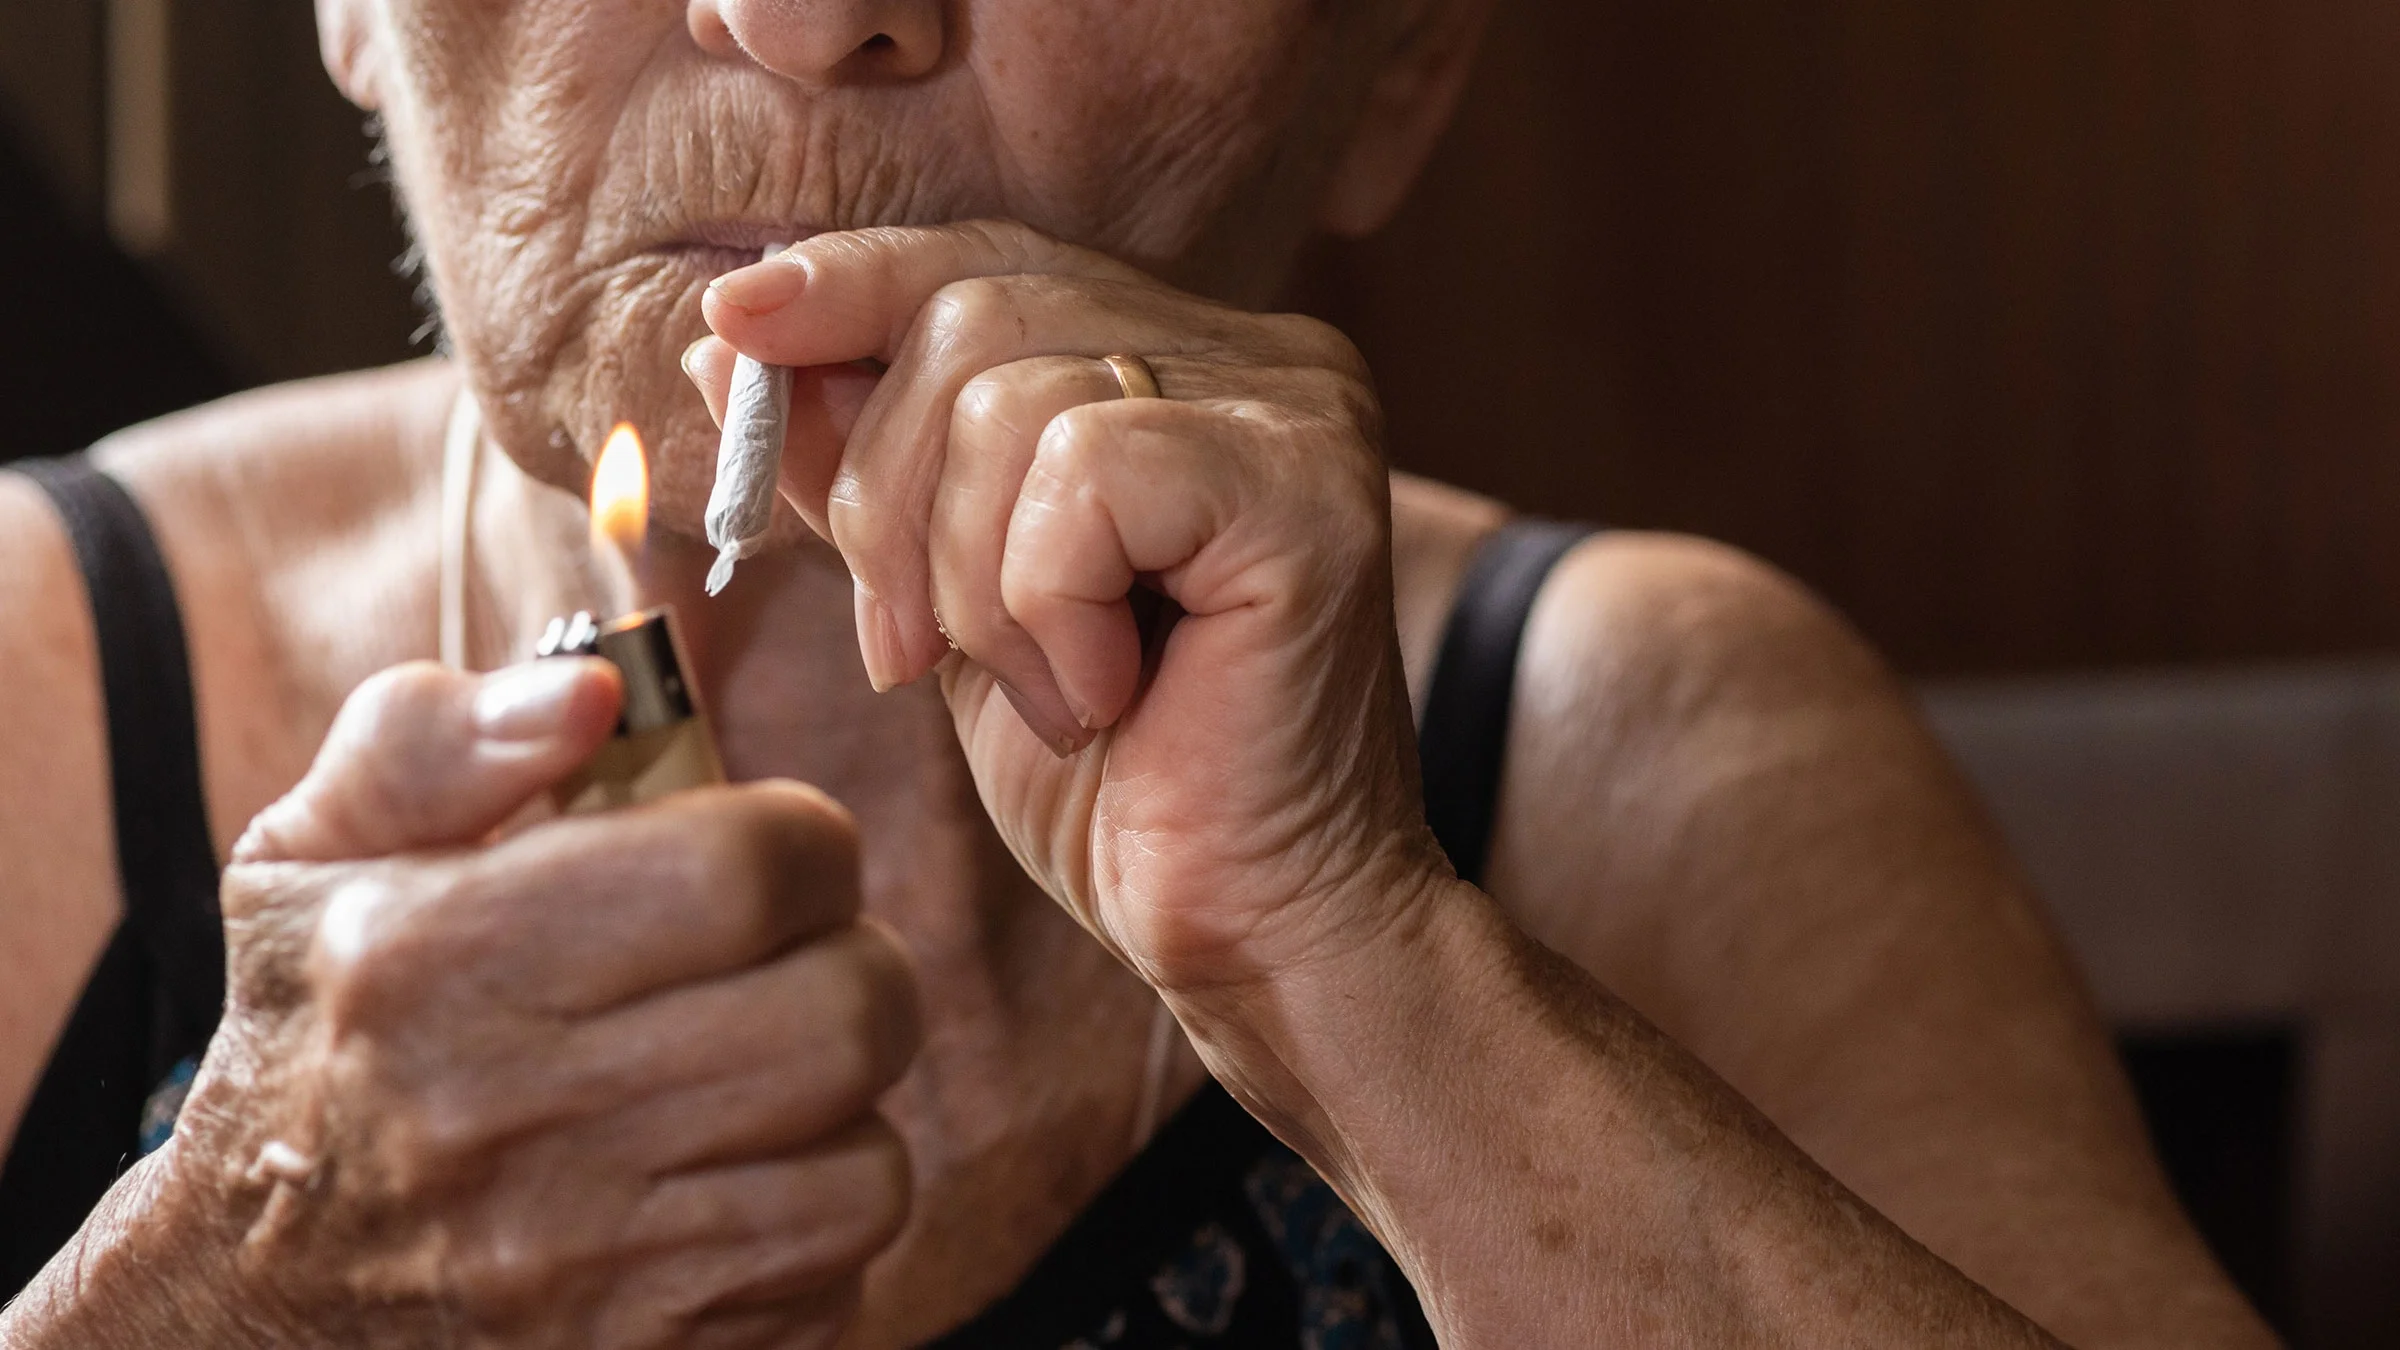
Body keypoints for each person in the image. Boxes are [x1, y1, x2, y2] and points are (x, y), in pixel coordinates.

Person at [0, 0, 2277, 1345]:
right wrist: (228, 1289)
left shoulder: (1631, 743)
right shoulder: (27, 683)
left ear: (1396, 65)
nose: (814, 9)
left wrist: (1364, 967)